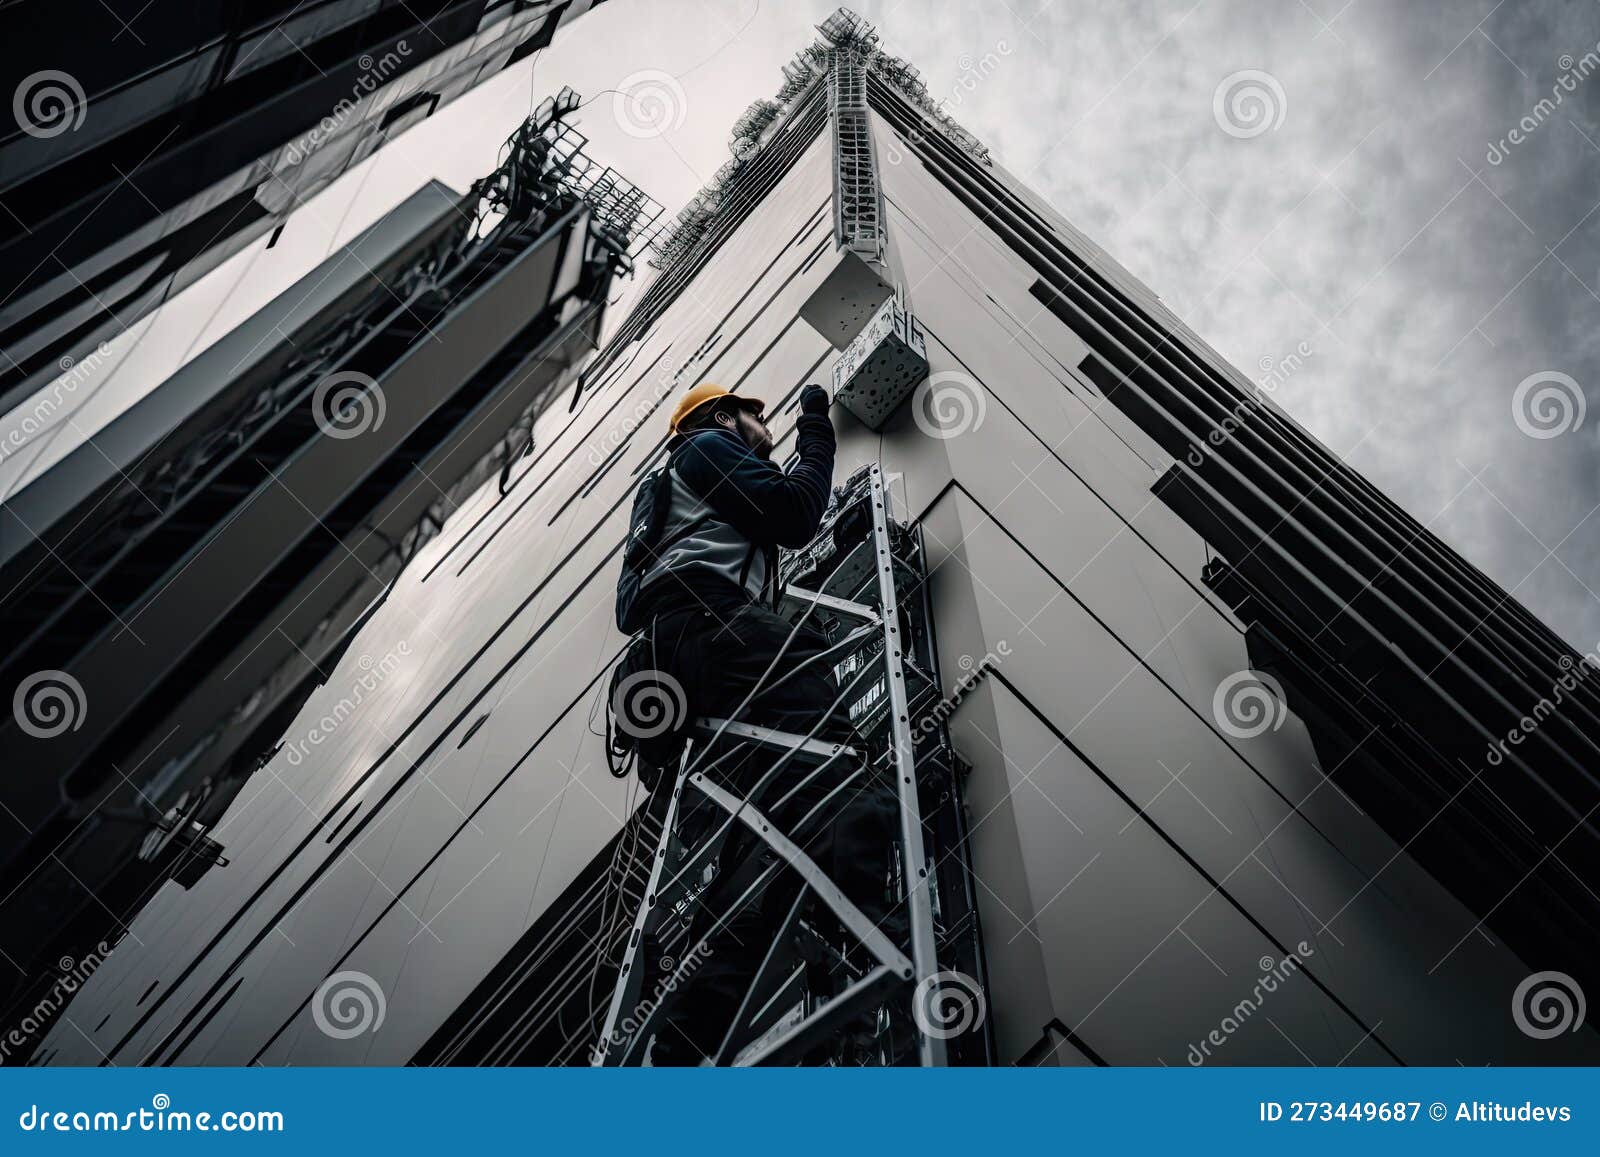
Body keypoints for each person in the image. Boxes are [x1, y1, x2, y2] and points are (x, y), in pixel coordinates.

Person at [611, 381, 898, 1064]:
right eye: (754, 414)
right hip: (717, 635)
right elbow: (797, 513)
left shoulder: (664, 500)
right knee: (838, 775)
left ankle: (683, 1041)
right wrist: (816, 428)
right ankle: (859, 974)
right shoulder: (706, 447)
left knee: (743, 857)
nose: (763, 422)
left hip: (673, 668)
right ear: (719, 418)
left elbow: (629, 609)